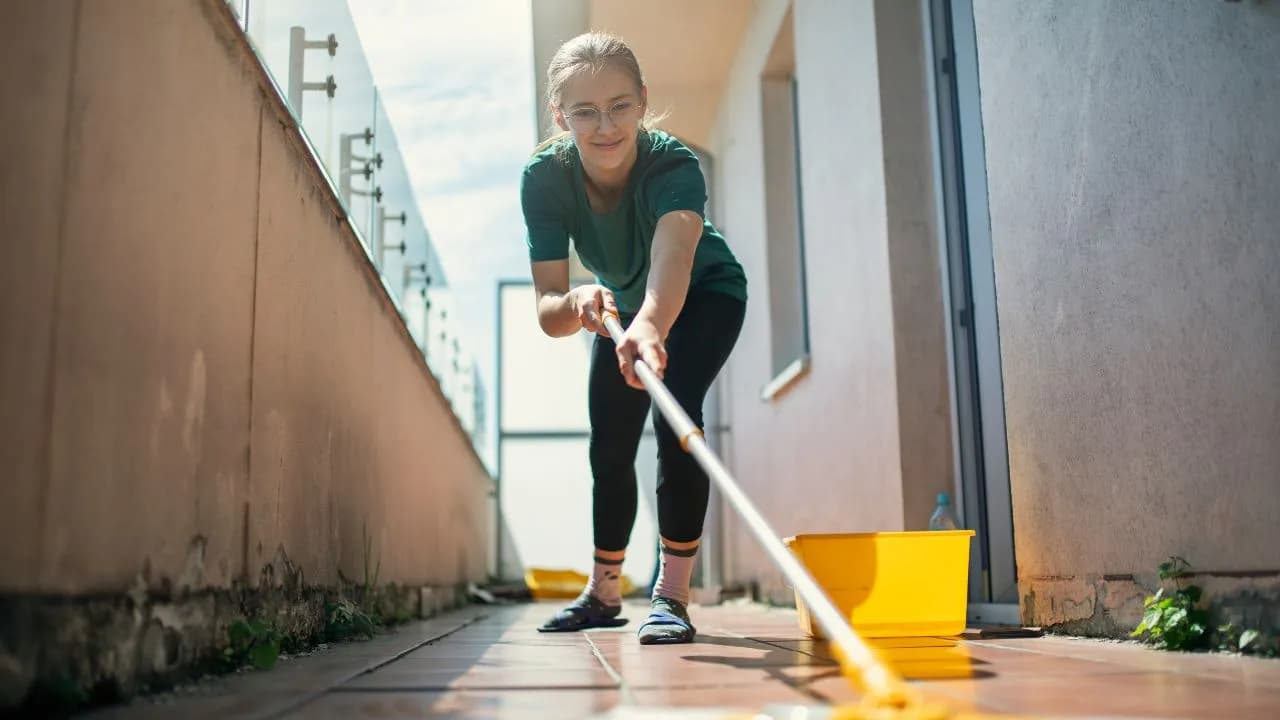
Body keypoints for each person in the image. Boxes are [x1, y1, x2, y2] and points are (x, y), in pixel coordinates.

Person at [519, 32, 747, 645]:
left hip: (703, 297)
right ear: (558, 114)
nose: (604, 126)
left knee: (678, 421)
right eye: (584, 111)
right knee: (610, 445)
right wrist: (577, 302)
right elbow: (548, 310)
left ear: (643, 101)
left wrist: (650, 325)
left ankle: (671, 596)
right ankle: (604, 592)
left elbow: (672, 263)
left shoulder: (673, 165)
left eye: (620, 105)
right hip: (618, 307)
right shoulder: (545, 179)